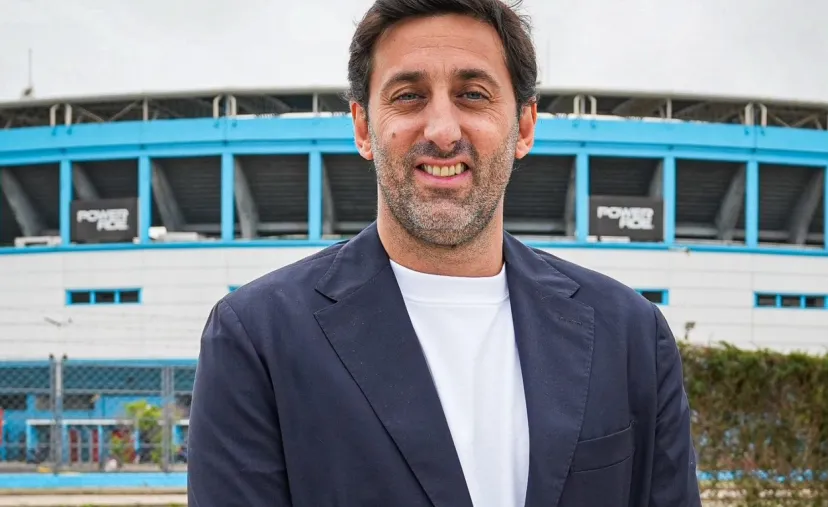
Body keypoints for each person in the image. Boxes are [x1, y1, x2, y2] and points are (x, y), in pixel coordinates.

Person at [187, 0, 702, 505]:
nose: (442, 131)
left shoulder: (629, 333)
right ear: (363, 127)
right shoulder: (258, 338)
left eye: (473, 95)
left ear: (524, 127)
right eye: (409, 96)